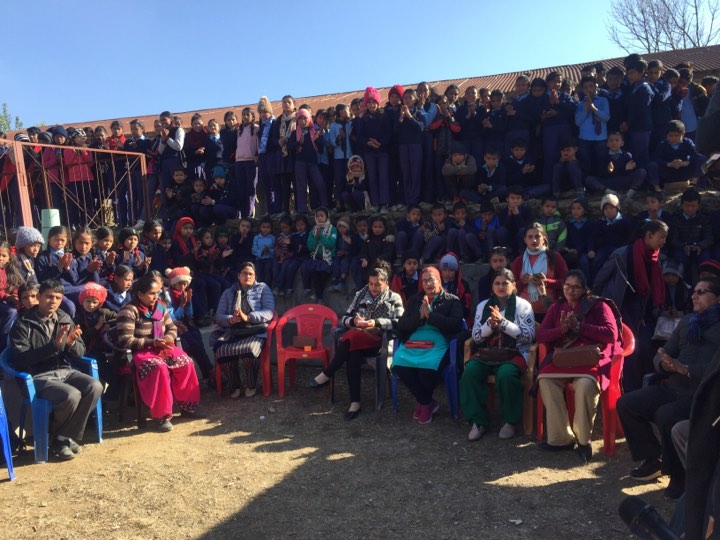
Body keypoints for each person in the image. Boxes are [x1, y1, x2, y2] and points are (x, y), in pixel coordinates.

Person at [617, 276, 720, 500]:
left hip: (701, 395)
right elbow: (662, 353)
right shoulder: (688, 322)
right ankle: (652, 458)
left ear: (717, 299)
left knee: (666, 415)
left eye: (701, 292)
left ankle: (678, 475)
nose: (694, 296)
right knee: (627, 403)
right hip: (673, 387)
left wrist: (688, 370)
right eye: (694, 291)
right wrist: (664, 364)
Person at [9, 279, 103, 460]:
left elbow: (80, 352)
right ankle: (62, 439)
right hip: (38, 376)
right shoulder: (23, 323)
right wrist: (54, 346)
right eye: (49, 296)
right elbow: (21, 359)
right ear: (39, 297)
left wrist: (72, 343)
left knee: (95, 386)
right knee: (71, 395)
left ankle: (61, 438)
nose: (53, 301)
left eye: (58, 298)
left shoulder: (64, 318)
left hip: (65, 371)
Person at [536, 270, 620, 463]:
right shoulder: (557, 307)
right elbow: (541, 335)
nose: (570, 291)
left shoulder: (598, 306)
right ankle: (561, 439)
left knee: (585, 385)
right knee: (546, 380)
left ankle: (583, 441)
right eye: (567, 286)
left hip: (589, 358)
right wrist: (562, 330)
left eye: (575, 287)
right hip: (565, 358)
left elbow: (611, 334)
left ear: (584, 289)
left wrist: (580, 327)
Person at [308, 266, 404, 419]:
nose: (373, 287)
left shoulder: (394, 298)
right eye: (371, 284)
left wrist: (375, 323)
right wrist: (354, 321)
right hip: (359, 339)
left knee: (351, 338)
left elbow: (399, 322)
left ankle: (328, 373)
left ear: (386, 283)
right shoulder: (361, 294)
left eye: (378, 284)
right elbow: (345, 318)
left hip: (380, 342)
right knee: (353, 353)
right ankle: (355, 403)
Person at [115, 274, 203, 432]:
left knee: (186, 362)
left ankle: (188, 407)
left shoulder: (160, 306)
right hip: (142, 351)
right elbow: (126, 340)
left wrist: (167, 339)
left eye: (157, 293)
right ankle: (161, 416)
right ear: (140, 294)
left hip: (163, 347)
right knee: (159, 368)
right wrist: (152, 342)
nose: (156, 297)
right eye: (151, 293)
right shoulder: (128, 311)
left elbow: (172, 328)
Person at [594, 220, 669, 392]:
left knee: (642, 348)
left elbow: (648, 290)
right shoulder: (622, 255)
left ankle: (637, 387)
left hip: (640, 310)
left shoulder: (654, 259)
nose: (663, 242)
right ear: (649, 236)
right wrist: (597, 303)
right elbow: (602, 277)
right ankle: (627, 389)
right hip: (620, 306)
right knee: (628, 348)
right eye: (661, 237)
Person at [460, 269, 535, 441]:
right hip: (487, 353)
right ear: (492, 287)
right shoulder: (482, 306)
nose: (501, 287)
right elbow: (476, 337)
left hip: (514, 353)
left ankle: (510, 421)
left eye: (505, 283)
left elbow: (530, 336)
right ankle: (478, 421)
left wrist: (504, 324)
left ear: (514, 286)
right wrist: (489, 325)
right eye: (497, 283)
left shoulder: (523, 306)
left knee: (506, 375)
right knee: (470, 372)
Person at [391, 266, 465, 424]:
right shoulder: (415, 300)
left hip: (439, 342)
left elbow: (456, 324)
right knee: (399, 363)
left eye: (431, 280)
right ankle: (427, 402)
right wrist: (419, 317)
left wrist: (431, 316)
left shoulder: (452, 300)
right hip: (414, 341)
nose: (428, 284)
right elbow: (402, 324)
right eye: (424, 281)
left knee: (427, 368)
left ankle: (424, 403)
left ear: (439, 281)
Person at [211, 262, 275, 399]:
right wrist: (231, 319)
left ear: (255, 276)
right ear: (238, 276)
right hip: (233, 330)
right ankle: (234, 385)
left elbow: (269, 312)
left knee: (250, 350)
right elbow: (219, 315)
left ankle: (251, 385)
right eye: (244, 273)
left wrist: (248, 317)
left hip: (254, 329)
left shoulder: (263, 289)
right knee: (222, 350)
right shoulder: (228, 292)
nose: (248, 276)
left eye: (251, 274)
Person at [511, 223, 568, 321]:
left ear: (544, 238)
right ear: (525, 240)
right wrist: (523, 282)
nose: (534, 240)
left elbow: (567, 283)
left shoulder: (555, 257)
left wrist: (546, 282)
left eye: (537, 236)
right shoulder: (519, 261)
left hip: (550, 311)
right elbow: (510, 288)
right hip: (523, 312)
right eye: (530, 237)